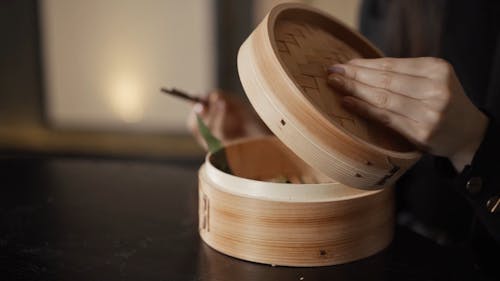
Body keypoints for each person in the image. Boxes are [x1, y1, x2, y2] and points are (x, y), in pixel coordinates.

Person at [187, 0, 499, 275]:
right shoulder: (382, 6)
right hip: (376, 246)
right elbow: (367, 155)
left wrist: (472, 140)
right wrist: (271, 138)